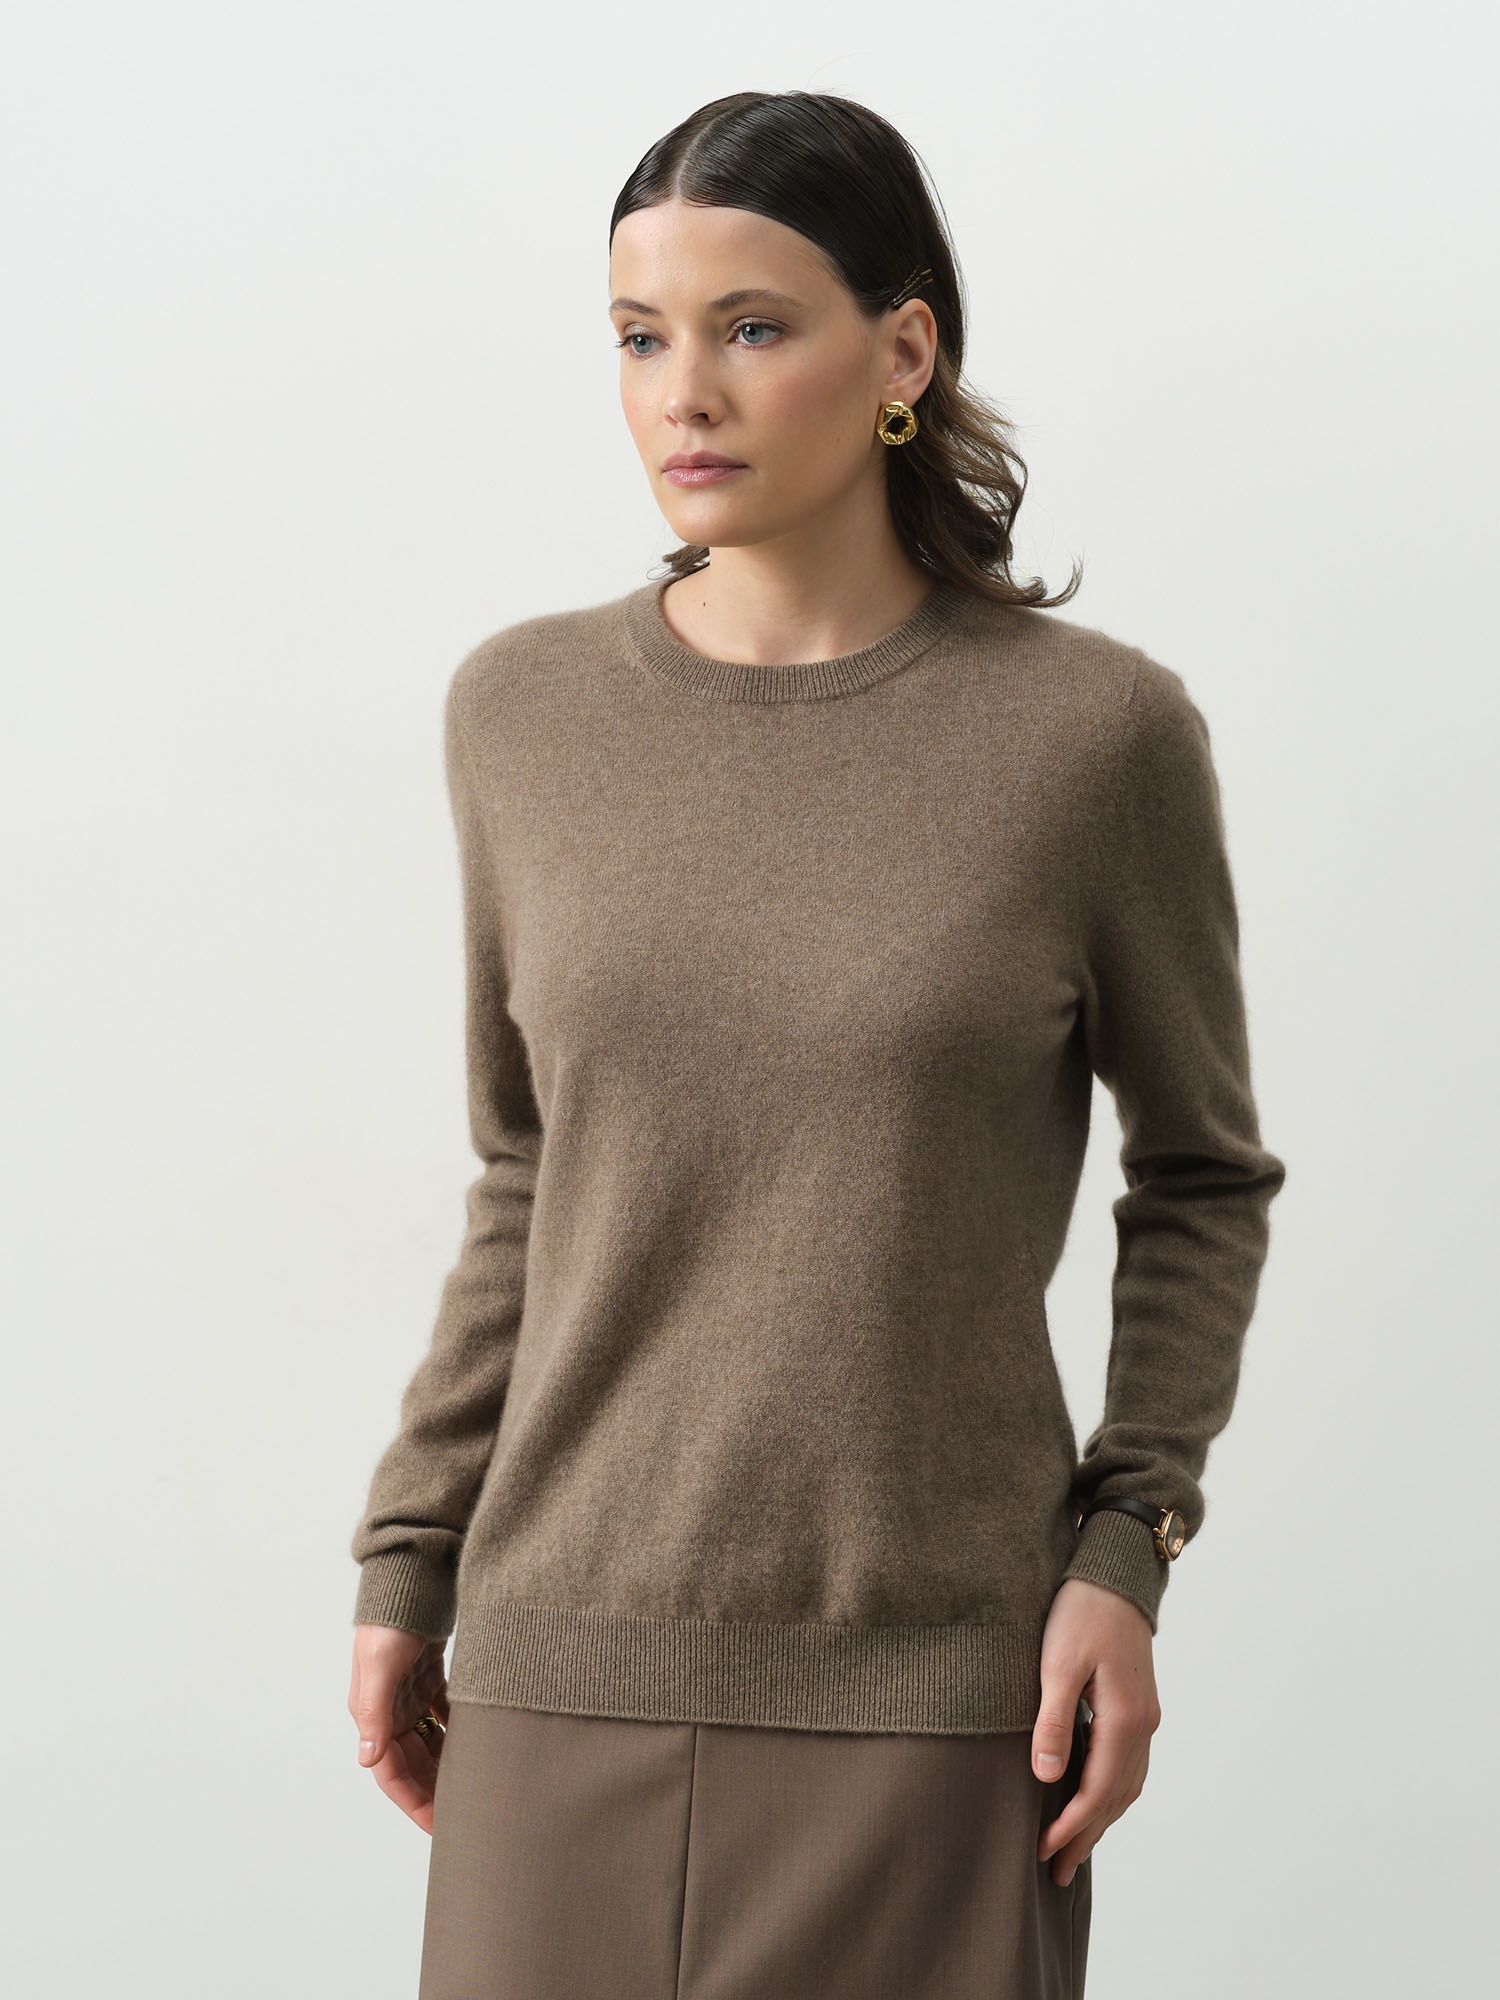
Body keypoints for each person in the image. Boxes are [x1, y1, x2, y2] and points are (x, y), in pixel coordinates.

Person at [345, 89, 1286, 2000]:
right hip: (555, 1674)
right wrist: (409, 1552)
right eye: (640, 337)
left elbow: (1201, 1177)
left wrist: (1130, 1542)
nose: (682, 393)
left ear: (903, 354)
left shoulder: (1094, 741)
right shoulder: (522, 712)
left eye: (752, 327)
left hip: (940, 1705)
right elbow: (531, 1171)